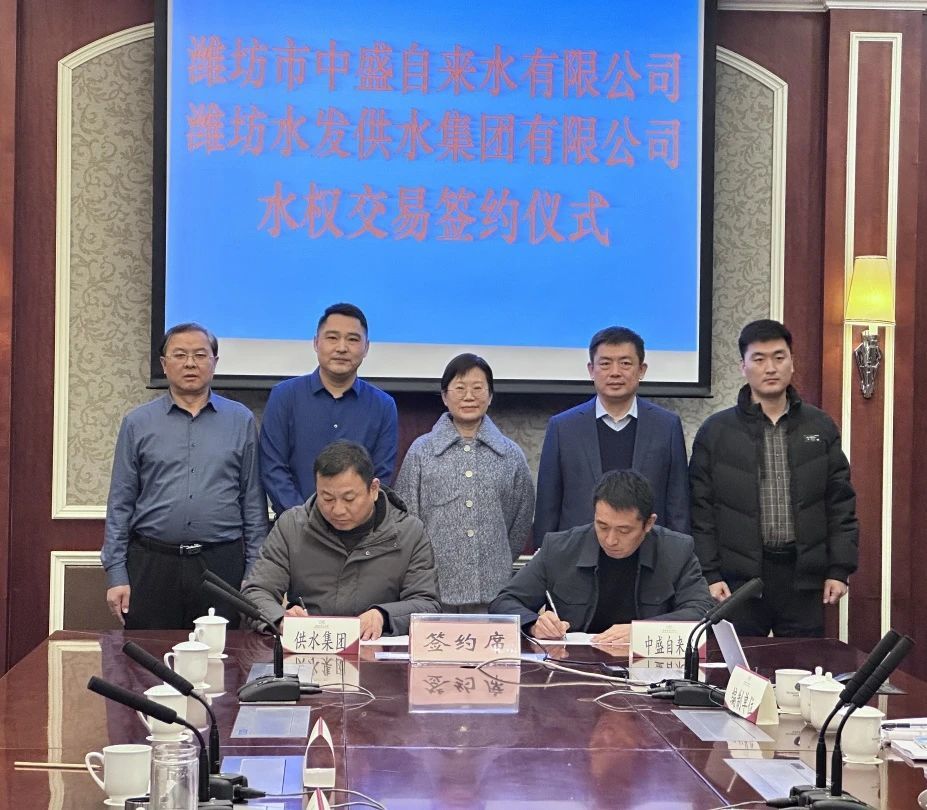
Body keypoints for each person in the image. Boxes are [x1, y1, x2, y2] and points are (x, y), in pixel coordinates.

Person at [689, 319, 859, 637]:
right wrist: (709, 574)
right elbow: (701, 511)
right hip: (738, 581)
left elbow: (840, 503)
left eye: (779, 357)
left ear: (792, 363)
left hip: (803, 577)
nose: (770, 368)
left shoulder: (820, 426)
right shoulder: (716, 432)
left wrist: (839, 569)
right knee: (737, 665)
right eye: (759, 359)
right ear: (743, 367)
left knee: (803, 664)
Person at [101, 323, 269, 629]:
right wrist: (116, 573)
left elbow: (253, 502)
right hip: (152, 563)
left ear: (214, 362)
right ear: (164, 364)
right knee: (149, 655)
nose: (190, 363)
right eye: (180, 355)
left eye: (200, 355)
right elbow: (120, 503)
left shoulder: (240, 420)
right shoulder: (138, 423)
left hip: (220, 564)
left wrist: (253, 573)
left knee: (222, 655)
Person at [241, 440, 439, 639]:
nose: (338, 510)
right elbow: (255, 592)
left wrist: (384, 616)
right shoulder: (291, 527)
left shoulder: (408, 533)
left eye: (349, 499)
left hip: (377, 648)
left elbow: (426, 604)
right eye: (327, 498)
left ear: (373, 489)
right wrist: (281, 620)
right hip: (309, 647)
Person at [490, 470, 712, 644]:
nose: (610, 540)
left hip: (649, 668)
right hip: (574, 665)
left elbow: (702, 612)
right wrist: (533, 624)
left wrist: (643, 632)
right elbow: (504, 602)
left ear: (648, 523)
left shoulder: (676, 551)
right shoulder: (560, 548)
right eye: (602, 526)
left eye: (624, 530)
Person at [394, 353, 535, 612]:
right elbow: (406, 517)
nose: (469, 396)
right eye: (459, 388)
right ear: (444, 396)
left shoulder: (510, 454)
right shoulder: (421, 451)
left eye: (478, 388)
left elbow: (520, 520)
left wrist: (496, 558)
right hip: (432, 592)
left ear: (490, 396)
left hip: (493, 592)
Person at [533, 326, 689, 546]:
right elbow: (548, 505)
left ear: (641, 370)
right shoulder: (562, 427)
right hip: (578, 553)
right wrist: (546, 553)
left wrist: (679, 555)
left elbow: (678, 504)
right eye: (605, 364)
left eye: (625, 363)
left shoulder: (666, 426)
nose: (615, 372)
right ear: (591, 370)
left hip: (649, 553)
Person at [259, 302, 398, 516]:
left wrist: (349, 516)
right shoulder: (284, 396)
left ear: (366, 347)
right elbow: (272, 468)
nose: (342, 348)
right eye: (332, 338)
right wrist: (304, 520)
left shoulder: (383, 406)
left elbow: (381, 476)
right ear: (316, 343)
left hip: (358, 529)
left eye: (353, 339)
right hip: (295, 527)